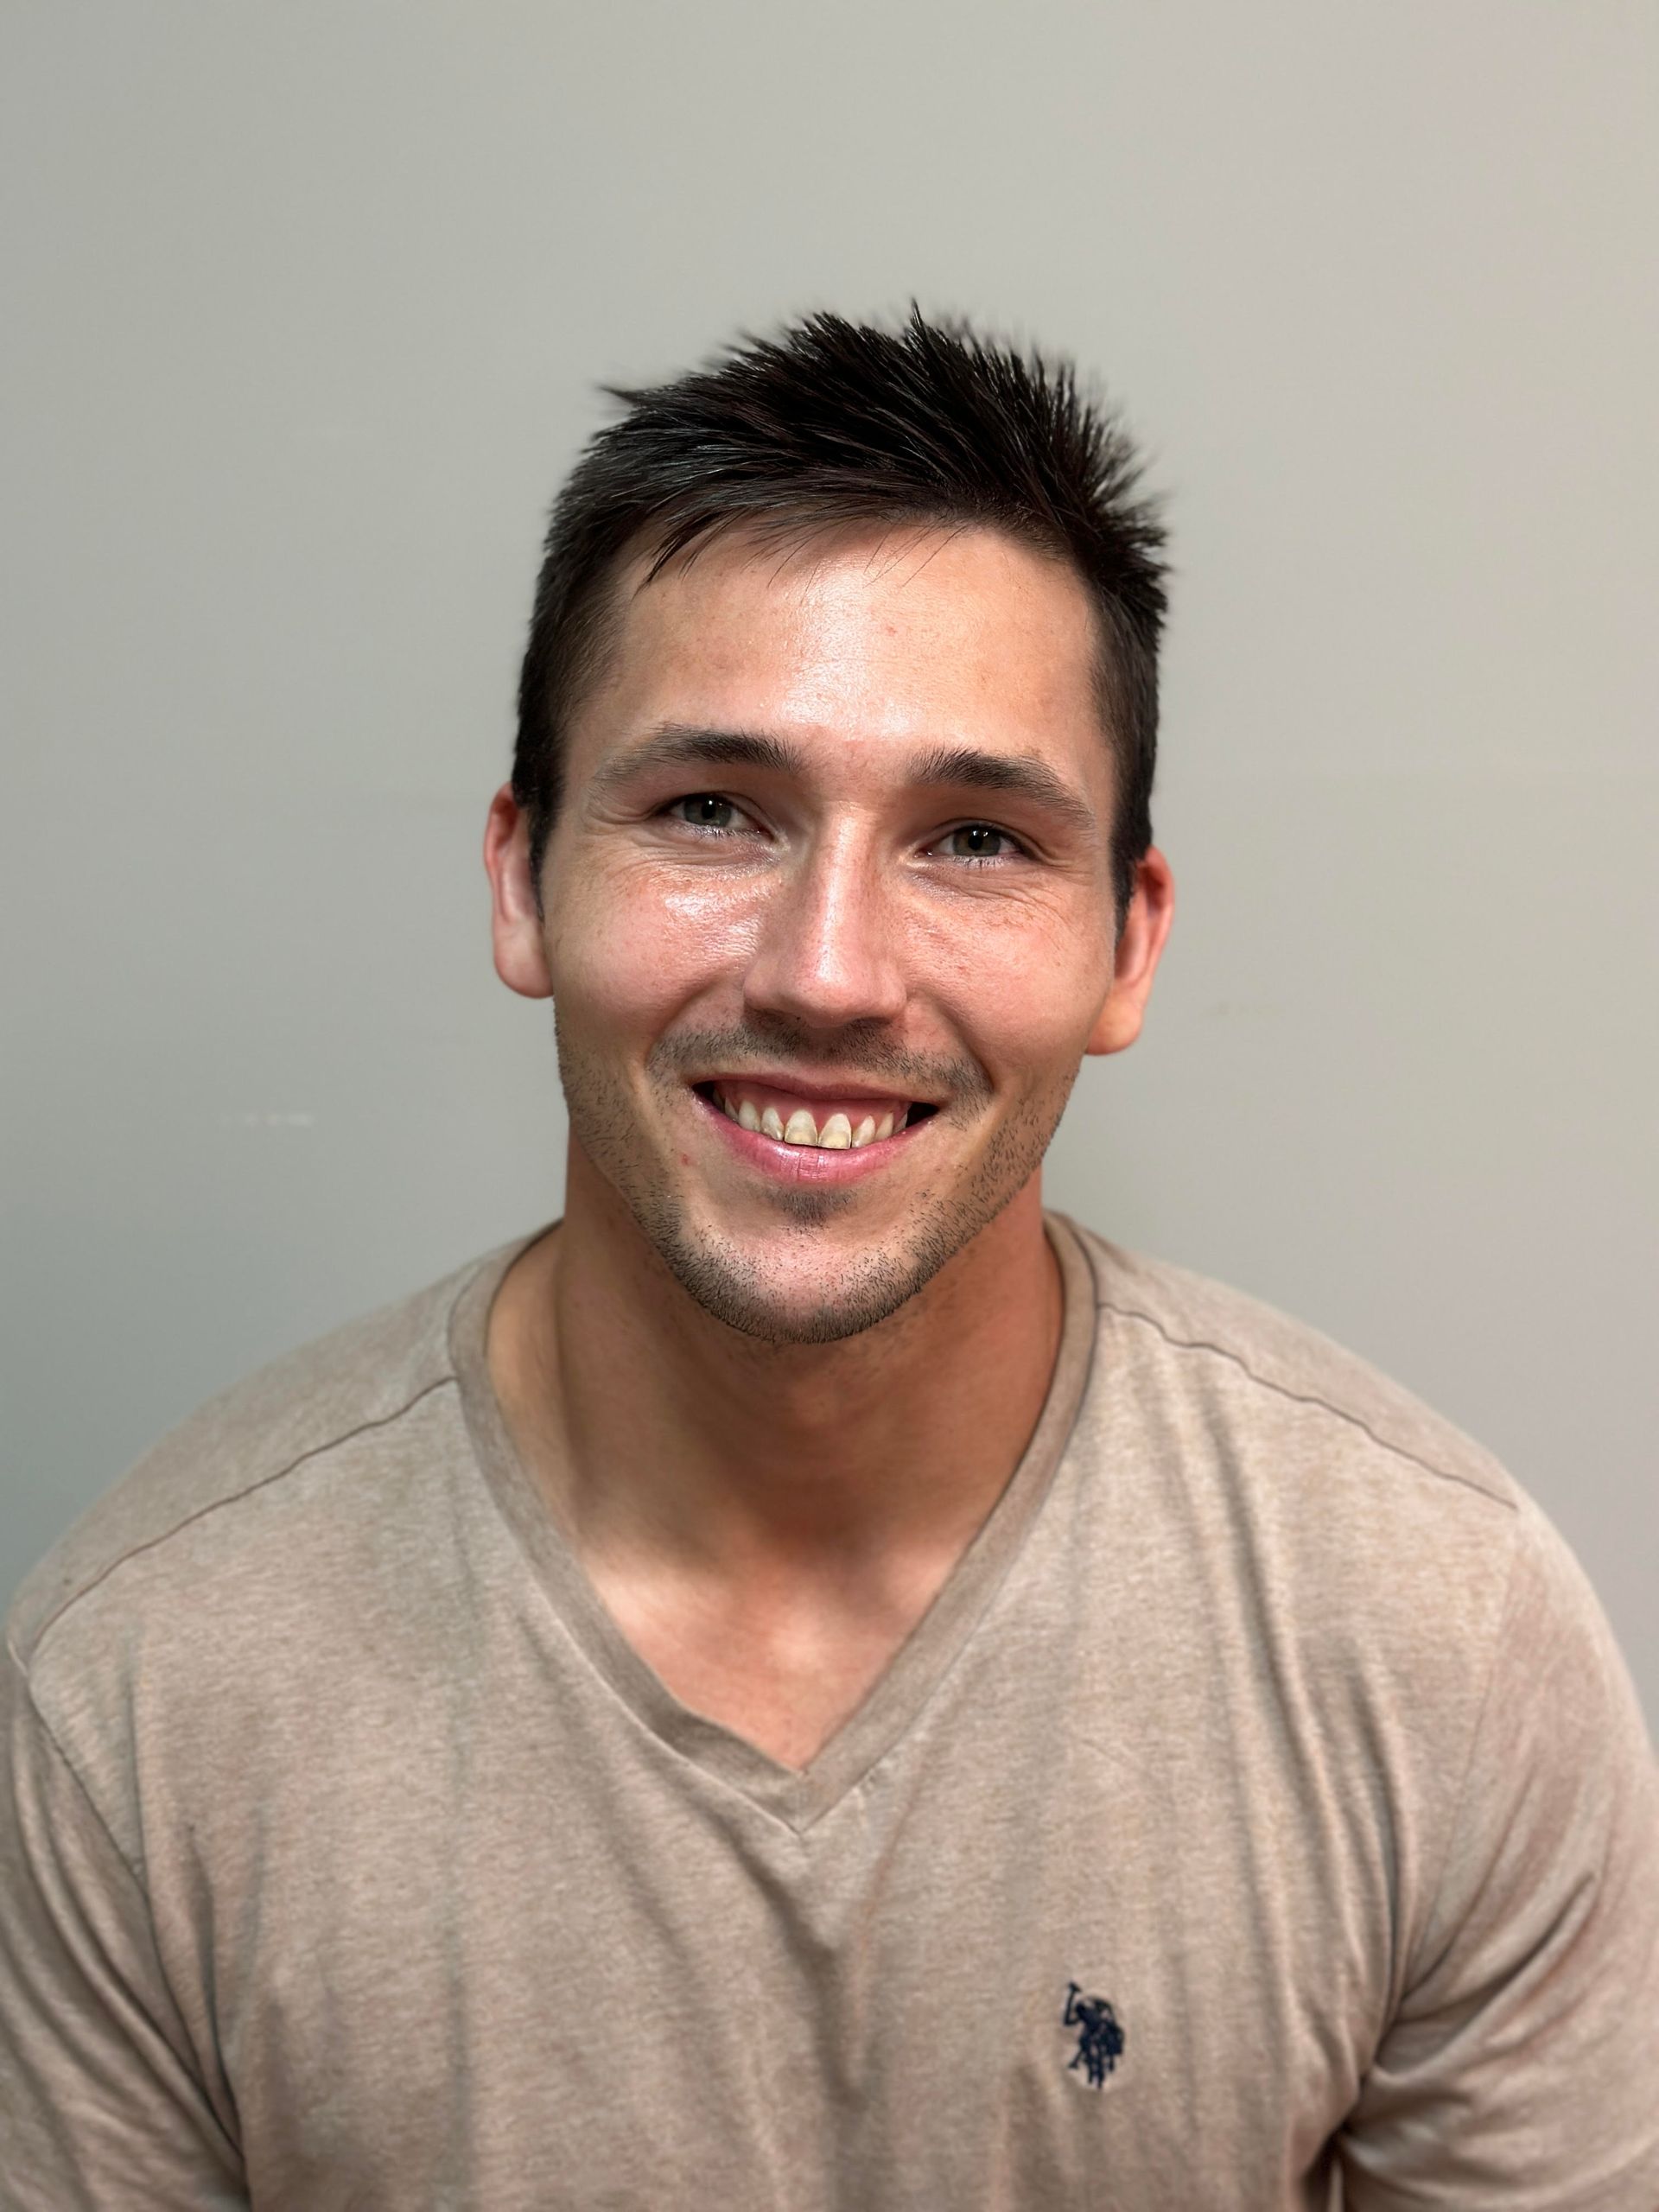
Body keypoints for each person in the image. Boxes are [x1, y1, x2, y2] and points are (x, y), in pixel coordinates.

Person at [3, 308, 1656, 2212]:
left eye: (973, 837)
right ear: (521, 874)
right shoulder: (147, 1685)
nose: (828, 969)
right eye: (714, 809)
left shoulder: (1438, 1638)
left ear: (1129, 940)